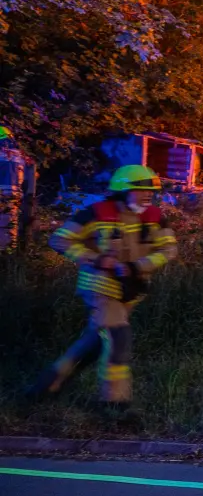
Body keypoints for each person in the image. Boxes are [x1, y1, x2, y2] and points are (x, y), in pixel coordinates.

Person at [29, 165, 175, 410]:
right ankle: (115, 405)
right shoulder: (96, 213)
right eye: (140, 190)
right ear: (122, 191)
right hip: (100, 288)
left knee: (94, 343)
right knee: (119, 339)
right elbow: (59, 239)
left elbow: (169, 250)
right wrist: (96, 259)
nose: (148, 195)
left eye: (151, 190)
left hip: (131, 291)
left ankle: (46, 386)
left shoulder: (155, 216)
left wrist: (138, 266)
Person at [0, 126, 29, 252]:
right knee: (9, 227)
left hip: (1, 194)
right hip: (14, 196)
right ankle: (8, 257)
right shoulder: (19, 156)